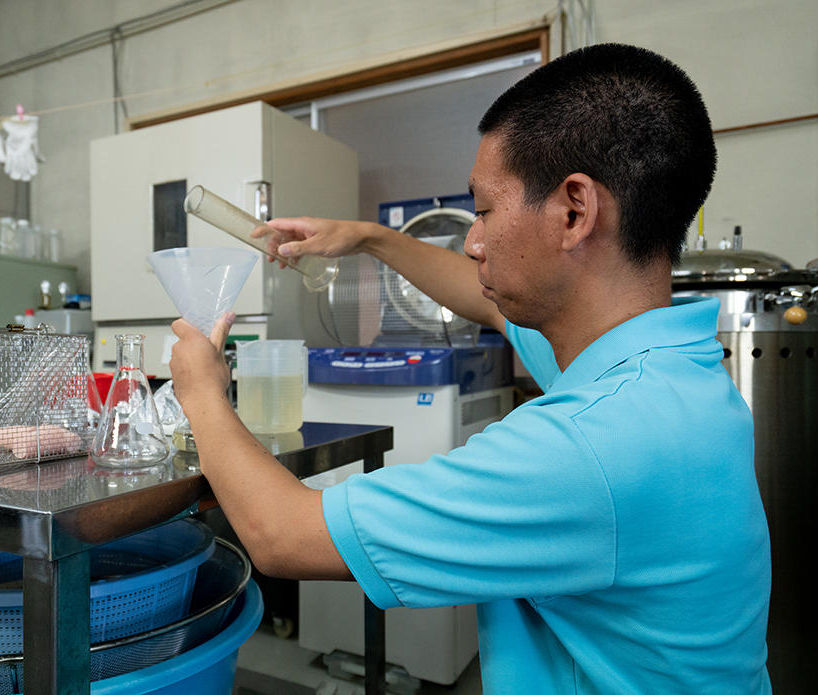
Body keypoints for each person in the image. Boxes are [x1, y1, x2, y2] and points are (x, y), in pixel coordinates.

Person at [169, 43, 771, 694]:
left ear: (575, 210)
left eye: (483, 210)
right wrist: (367, 237)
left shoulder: (590, 446)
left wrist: (203, 390)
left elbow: (279, 534)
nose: (473, 241)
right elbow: (485, 297)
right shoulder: (658, 368)